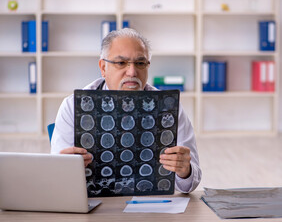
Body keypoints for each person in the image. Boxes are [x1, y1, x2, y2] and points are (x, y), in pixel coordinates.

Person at [50, 28, 201, 193]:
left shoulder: (170, 108)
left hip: (151, 206)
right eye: (121, 63)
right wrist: (64, 168)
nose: (132, 72)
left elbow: (189, 185)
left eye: (140, 63)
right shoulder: (73, 106)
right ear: (103, 67)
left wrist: (184, 171)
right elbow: (58, 180)